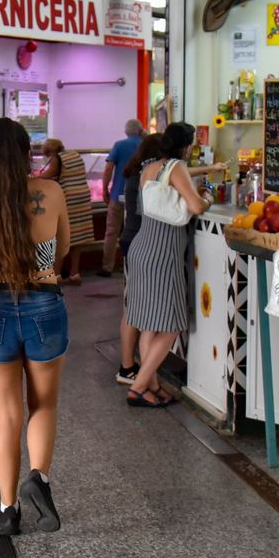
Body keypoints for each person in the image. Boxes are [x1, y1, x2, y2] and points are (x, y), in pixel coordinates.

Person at [0, 119, 69, 536]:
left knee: (7, 414)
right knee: (43, 405)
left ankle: (7, 511)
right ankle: (38, 479)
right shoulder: (51, 192)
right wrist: (40, 272)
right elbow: (63, 251)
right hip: (45, 304)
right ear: (28, 154)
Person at [123, 122, 222, 408]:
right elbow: (195, 206)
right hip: (163, 254)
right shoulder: (176, 167)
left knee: (148, 325)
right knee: (171, 325)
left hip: (142, 249)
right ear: (188, 145)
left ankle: (150, 386)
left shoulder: (150, 167)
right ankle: (139, 387)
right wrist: (208, 197)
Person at [113, 131, 164, 385]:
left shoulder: (137, 171)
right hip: (139, 242)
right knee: (133, 309)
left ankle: (127, 365)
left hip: (129, 238)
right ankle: (126, 368)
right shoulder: (151, 175)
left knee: (131, 306)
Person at [37, 138, 95, 286]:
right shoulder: (75, 154)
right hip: (82, 199)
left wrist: (32, 178)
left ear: (51, 151)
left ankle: (56, 276)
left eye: (47, 154)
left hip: (68, 200)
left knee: (62, 237)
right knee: (78, 237)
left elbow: (45, 176)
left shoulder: (58, 159)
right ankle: (75, 274)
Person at [99, 119, 144, 277]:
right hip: (140, 196)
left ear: (126, 132)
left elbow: (108, 168)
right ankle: (133, 265)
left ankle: (107, 267)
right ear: (140, 130)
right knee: (136, 231)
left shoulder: (119, 145)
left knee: (112, 231)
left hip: (118, 194)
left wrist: (104, 188)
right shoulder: (146, 144)